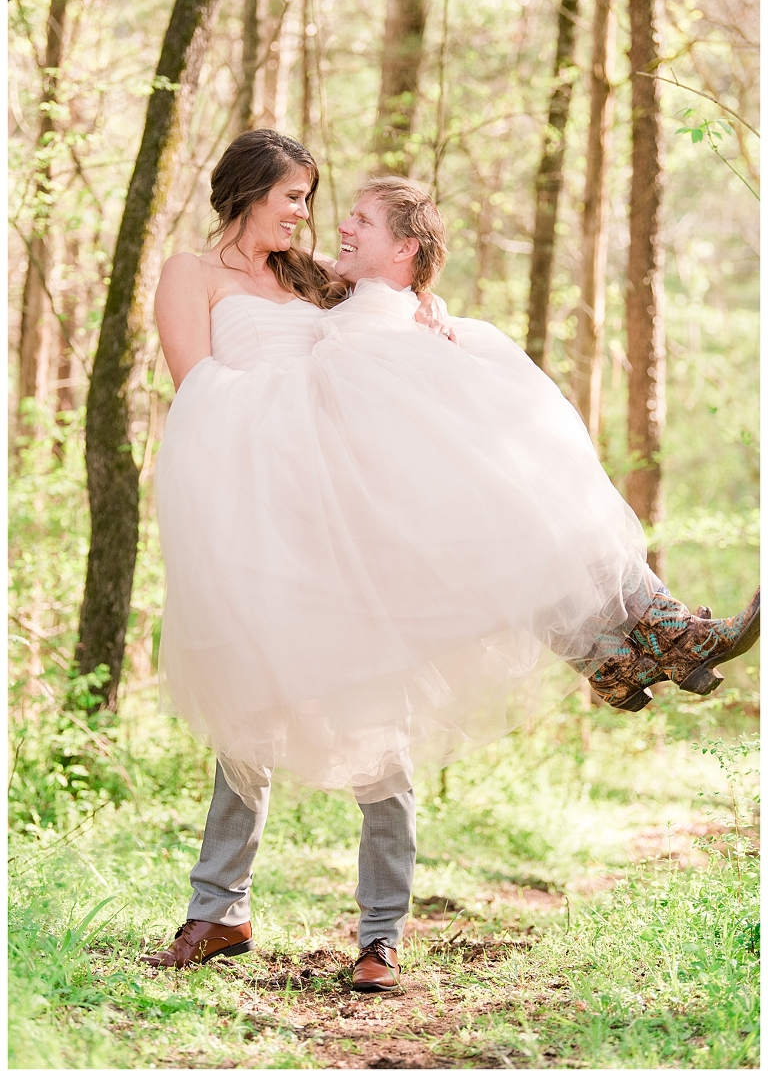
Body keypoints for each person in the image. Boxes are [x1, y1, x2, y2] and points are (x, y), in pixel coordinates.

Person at [142, 130, 759, 989]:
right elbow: (196, 392)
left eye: (312, 201)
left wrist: (424, 311)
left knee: (383, 707)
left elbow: (378, 312)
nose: (304, 214)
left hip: (346, 513)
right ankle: (219, 912)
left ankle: (382, 933)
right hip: (259, 514)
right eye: (292, 197)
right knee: (251, 712)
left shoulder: (310, 277)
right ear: (246, 191)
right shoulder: (192, 274)